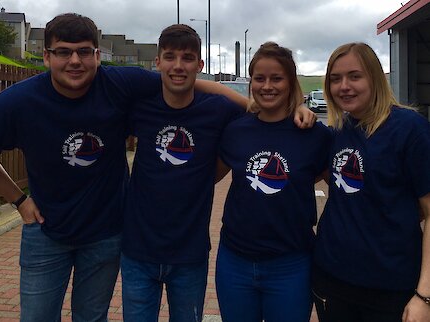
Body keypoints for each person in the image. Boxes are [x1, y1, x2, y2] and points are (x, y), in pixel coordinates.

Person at [0, 13, 246, 321]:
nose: (74, 61)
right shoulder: (20, 101)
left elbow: (190, 84)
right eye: (63, 52)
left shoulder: (119, 83)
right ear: (46, 56)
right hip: (46, 232)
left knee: (92, 318)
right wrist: (20, 200)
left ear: (97, 55)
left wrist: (257, 106)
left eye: (83, 51)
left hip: (105, 233)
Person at [120, 27, 316, 322]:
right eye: (170, 57)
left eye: (187, 58)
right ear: (157, 62)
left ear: (200, 66)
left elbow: (261, 110)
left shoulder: (219, 113)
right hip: (138, 250)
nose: (178, 65)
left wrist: (296, 104)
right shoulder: (140, 105)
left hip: (191, 253)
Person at [214, 42, 331, 322]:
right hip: (235, 262)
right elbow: (207, 178)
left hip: (292, 265)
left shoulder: (315, 135)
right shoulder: (235, 131)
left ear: (291, 82)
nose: (268, 86)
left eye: (277, 78)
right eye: (260, 78)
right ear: (251, 81)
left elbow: (336, 187)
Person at [312, 42, 430, 322]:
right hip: (332, 281)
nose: (344, 86)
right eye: (335, 79)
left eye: (355, 76)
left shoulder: (410, 129)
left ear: (375, 78)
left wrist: (424, 295)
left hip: (392, 289)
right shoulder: (337, 131)